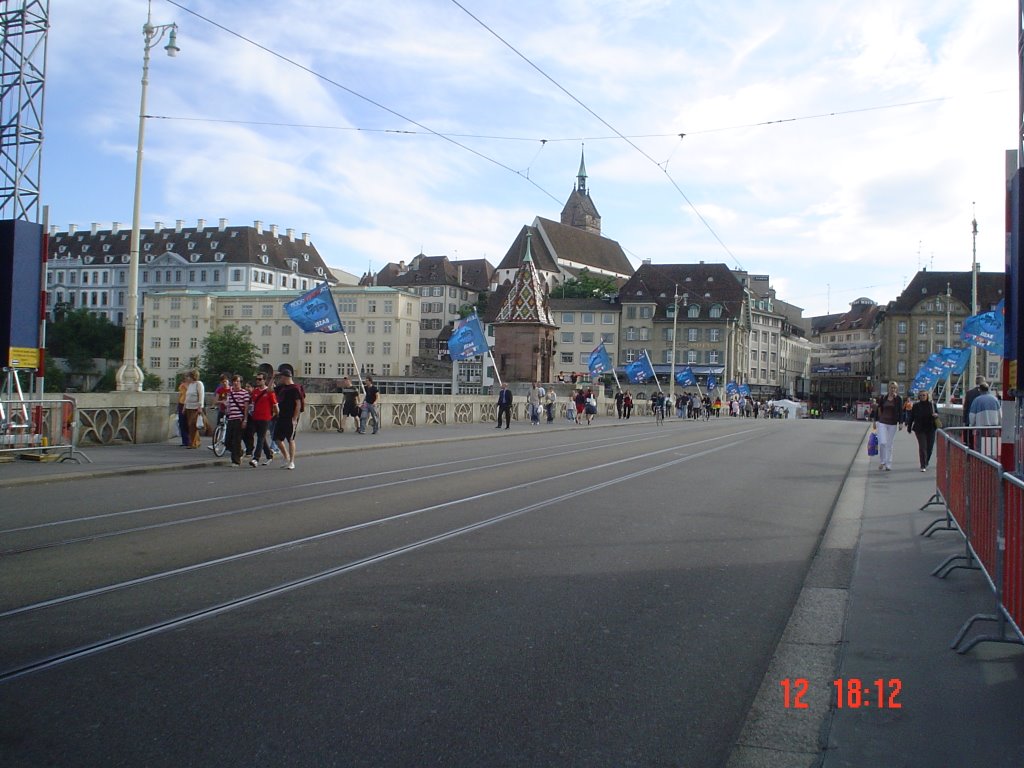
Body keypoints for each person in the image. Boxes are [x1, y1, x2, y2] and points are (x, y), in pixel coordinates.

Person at [272, 364, 303, 469]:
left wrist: (294, 418)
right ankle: (286, 456)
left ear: (285, 377)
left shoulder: (295, 388)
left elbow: (298, 404)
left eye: (281, 377)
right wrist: (273, 378)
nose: (280, 379)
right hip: (281, 415)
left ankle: (292, 461)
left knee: (290, 439)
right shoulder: (282, 387)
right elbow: (269, 390)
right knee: (277, 438)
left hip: (290, 417)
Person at [248, 371, 278, 467]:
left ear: (264, 380)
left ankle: (256, 458)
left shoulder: (269, 392)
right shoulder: (255, 391)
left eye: (260, 379)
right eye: (257, 379)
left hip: (265, 418)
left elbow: (275, 405)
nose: (258, 381)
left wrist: (276, 415)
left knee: (260, 438)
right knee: (260, 437)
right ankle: (269, 455)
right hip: (255, 417)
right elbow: (251, 403)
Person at [873, 381, 903, 471]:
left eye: (894, 388)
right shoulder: (883, 398)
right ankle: (882, 461)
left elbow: (901, 411)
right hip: (882, 422)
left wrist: (901, 422)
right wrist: (875, 420)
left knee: (889, 444)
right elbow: (878, 409)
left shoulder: (898, 399)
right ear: (888, 388)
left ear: (896, 389)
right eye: (891, 387)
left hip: (892, 423)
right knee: (882, 442)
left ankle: (888, 464)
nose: (892, 389)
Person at [223, 374, 251, 467]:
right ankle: (239, 452)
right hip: (231, 418)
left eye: (237, 381)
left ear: (241, 383)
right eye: (234, 381)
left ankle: (236, 461)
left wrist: (245, 420)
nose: (235, 383)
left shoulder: (244, 393)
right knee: (227, 441)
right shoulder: (230, 393)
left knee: (236, 440)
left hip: (239, 418)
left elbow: (246, 407)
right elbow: (229, 405)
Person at [907, 389, 938, 472]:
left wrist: (936, 415)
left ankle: (926, 461)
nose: (922, 397)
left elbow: (937, 414)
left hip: (931, 428)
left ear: (927, 396)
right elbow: (911, 417)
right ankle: (923, 465)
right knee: (922, 447)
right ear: (919, 396)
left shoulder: (932, 405)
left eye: (924, 395)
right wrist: (909, 427)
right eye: (920, 395)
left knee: (930, 447)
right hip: (920, 429)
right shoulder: (916, 406)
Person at [968, 380, 1001, 457]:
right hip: (994, 427)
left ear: (980, 390)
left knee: (980, 446)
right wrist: (999, 425)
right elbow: (1000, 414)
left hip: (981, 427)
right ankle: (992, 461)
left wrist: (972, 425)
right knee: (992, 446)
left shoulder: (977, 400)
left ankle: (981, 460)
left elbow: (972, 415)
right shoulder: (995, 399)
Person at [183, 369, 206, 449]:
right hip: (189, 407)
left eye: (188, 377)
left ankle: (193, 443)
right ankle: (195, 441)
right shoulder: (190, 385)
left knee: (193, 425)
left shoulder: (198, 384)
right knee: (190, 425)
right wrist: (184, 407)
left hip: (195, 407)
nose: (187, 378)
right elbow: (187, 396)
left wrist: (200, 406)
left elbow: (201, 395)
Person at [176, 374, 189, 447]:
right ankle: (184, 441)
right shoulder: (182, 386)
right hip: (181, 403)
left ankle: (188, 440)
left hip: (188, 404)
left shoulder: (191, 385)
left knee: (187, 423)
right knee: (182, 423)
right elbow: (180, 395)